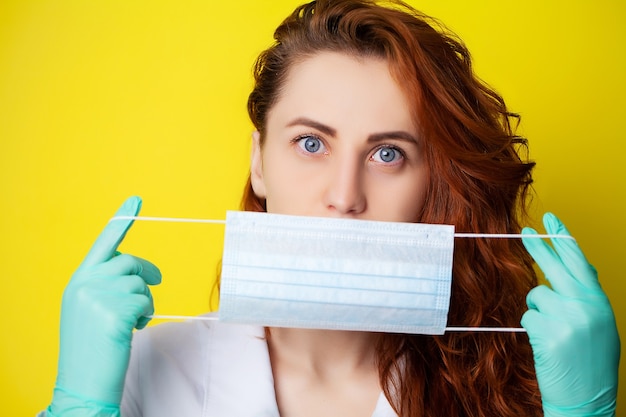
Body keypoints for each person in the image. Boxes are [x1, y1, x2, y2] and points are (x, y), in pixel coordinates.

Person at [42, 1, 619, 416]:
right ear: (260, 163)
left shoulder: (512, 390)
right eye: (311, 143)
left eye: (388, 153)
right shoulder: (139, 374)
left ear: (431, 185)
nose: (345, 196)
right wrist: (75, 408)